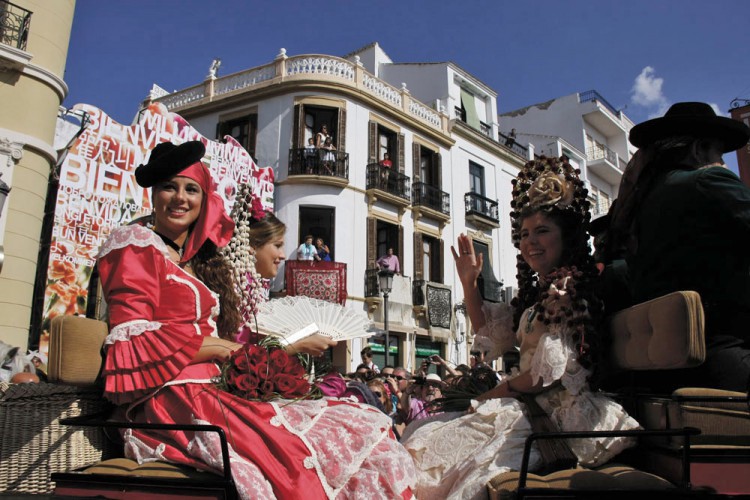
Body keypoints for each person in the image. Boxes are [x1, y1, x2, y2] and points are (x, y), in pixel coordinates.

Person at [97, 140, 415, 499]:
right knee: (294, 454)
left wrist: (235, 356)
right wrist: (224, 349)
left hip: (214, 388)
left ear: (204, 199)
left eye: (191, 189)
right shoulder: (134, 244)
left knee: (353, 423)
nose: (180, 198)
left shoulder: (189, 259)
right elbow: (132, 342)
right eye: (169, 186)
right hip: (172, 396)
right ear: (154, 194)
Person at [400, 156, 639, 500]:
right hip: (525, 402)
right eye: (525, 234)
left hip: (554, 411)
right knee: (423, 434)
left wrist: (488, 395)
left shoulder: (571, 290)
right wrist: (469, 283)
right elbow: (488, 329)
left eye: (542, 231)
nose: (530, 242)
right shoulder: (536, 297)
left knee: (450, 457)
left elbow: (546, 375)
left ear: (567, 237)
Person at [604, 101, 750, 393]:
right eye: (719, 155)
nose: (723, 164)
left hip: (659, 376)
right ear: (698, 150)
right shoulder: (707, 180)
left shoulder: (637, 208)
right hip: (724, 359)